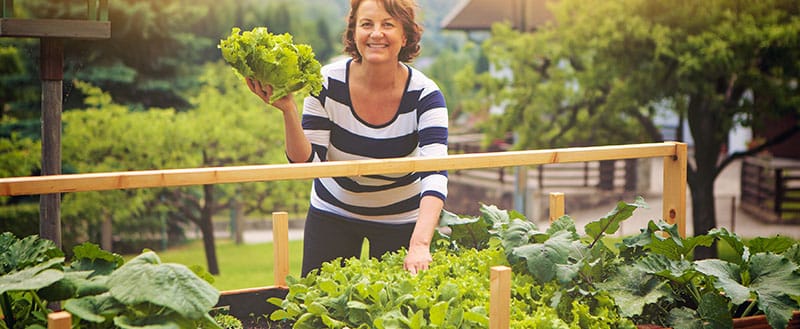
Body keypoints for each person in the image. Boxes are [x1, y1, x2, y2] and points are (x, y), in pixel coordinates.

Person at [246, 0, 448, 276]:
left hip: (401, 218)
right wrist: (288, 110)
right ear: (354, 32)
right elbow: (307, 163)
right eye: (366, 24)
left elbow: (435, 172)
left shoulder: (426, 95)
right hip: (333, 212)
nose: (376, 33)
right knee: (318, 308)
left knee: (395, 314)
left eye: (387, 24)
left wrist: (420, 244)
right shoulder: (326, 83)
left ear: (405, 36)